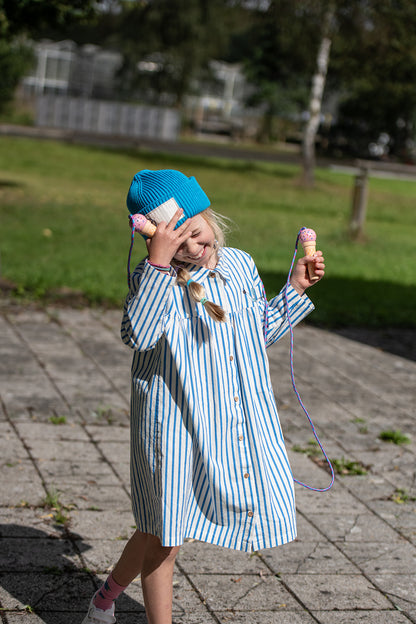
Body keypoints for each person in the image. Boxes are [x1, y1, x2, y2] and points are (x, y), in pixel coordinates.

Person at [82, 168, 325, 624]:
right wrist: (157, 264)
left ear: (208, 216)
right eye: (178, 243)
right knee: (167, 535)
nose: (192, 247)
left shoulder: (240, 265)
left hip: (222, 425)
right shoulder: (152, 277)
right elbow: (139, 333)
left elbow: (257, 334)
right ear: (155, 240)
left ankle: (105, 597)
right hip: (173, 427)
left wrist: (294, 289)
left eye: (195, 233)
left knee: (157, 528)